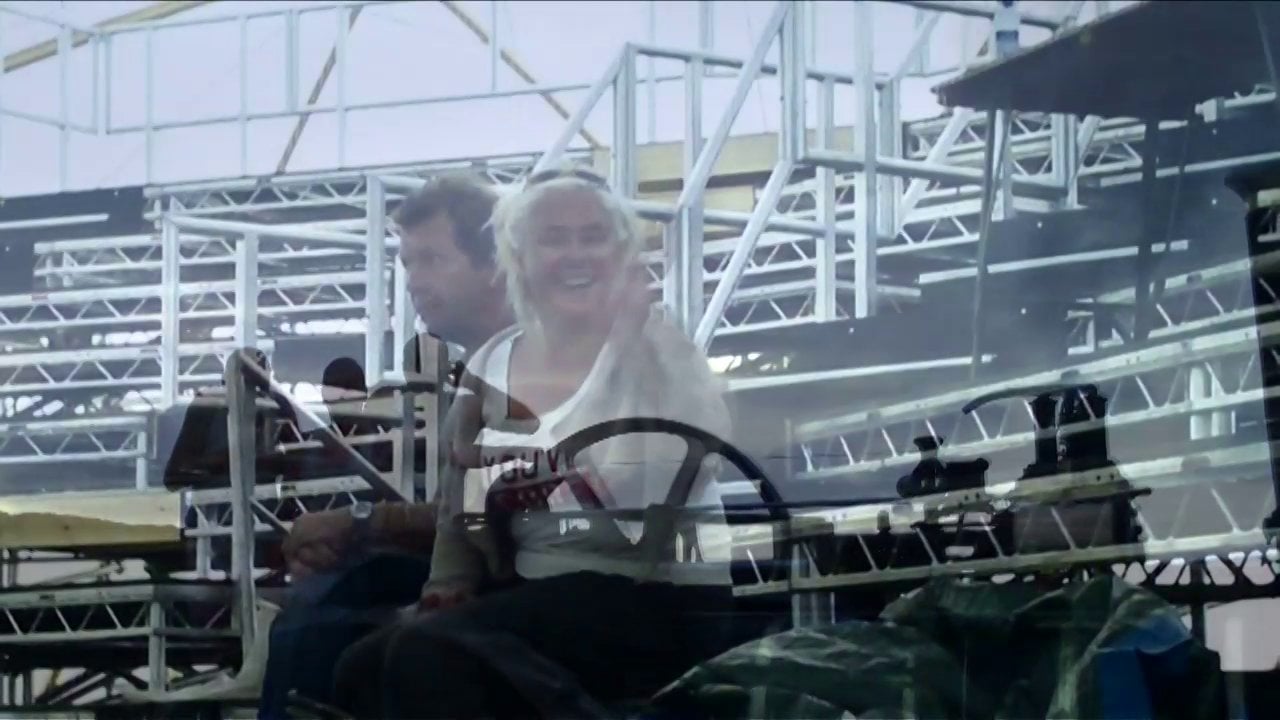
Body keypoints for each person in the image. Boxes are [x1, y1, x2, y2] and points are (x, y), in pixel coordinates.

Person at [332, 165, 736, 718]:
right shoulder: (491, 363)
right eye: (553, 239)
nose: (575, 254)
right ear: (517, 258)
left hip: (655, 594)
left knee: (431, 655)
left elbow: (674, 467)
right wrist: (447, 583)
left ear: (620, 256)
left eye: (592, 237)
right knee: (358, 666)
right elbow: (458, 506)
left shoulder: (656, 346)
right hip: (535, 592)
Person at [260, 175, 515, 718]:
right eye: (409, 265)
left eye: (433, 260)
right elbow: (460, 513)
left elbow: (492, 510)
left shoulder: (525, 361)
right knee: (329, 596)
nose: (416, 282)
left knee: (325, 618)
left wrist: (358, 524)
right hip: (491, 567)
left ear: (494, 263)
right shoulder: (482, 368)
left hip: (532, 577)